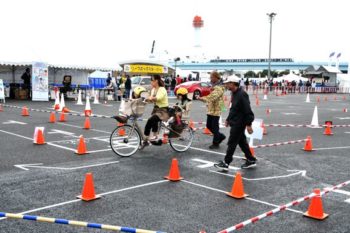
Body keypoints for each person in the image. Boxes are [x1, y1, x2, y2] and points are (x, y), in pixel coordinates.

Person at [214, 75, 256, 171]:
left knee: (232, 142)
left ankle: (226, 163)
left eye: (228, 83)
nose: (226, 85)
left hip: (239, 123)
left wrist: (249, 124)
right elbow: (233, 109)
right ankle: (251, 159)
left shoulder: (242, 94)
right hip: (235, 121)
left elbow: (248, 110)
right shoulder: (234, 93)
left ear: (233, 84)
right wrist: (228, 119)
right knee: (242, 142)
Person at [198, 71, 226, 149]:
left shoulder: (219, 87)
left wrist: (201, 98)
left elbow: (212, 97)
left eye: (211, 77)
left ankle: (215, 143)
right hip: (211, 108)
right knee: (209, 125)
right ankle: (221, 136)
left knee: (215, 126)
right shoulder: (214, 85)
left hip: (216, 109)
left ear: (216, 78)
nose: (210, 79)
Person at [140, 75, 169, 149]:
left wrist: (150, 98)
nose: (151, 82)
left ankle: (151, 137)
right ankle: (148, 139)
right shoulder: (153, 90)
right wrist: (145, 100)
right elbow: (151, 100)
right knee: (153, 121)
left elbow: (157, 98)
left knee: (151, 120)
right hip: (156, 109)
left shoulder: (162, 89)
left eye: (152, 80)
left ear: (156, 81)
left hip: (163, 110)